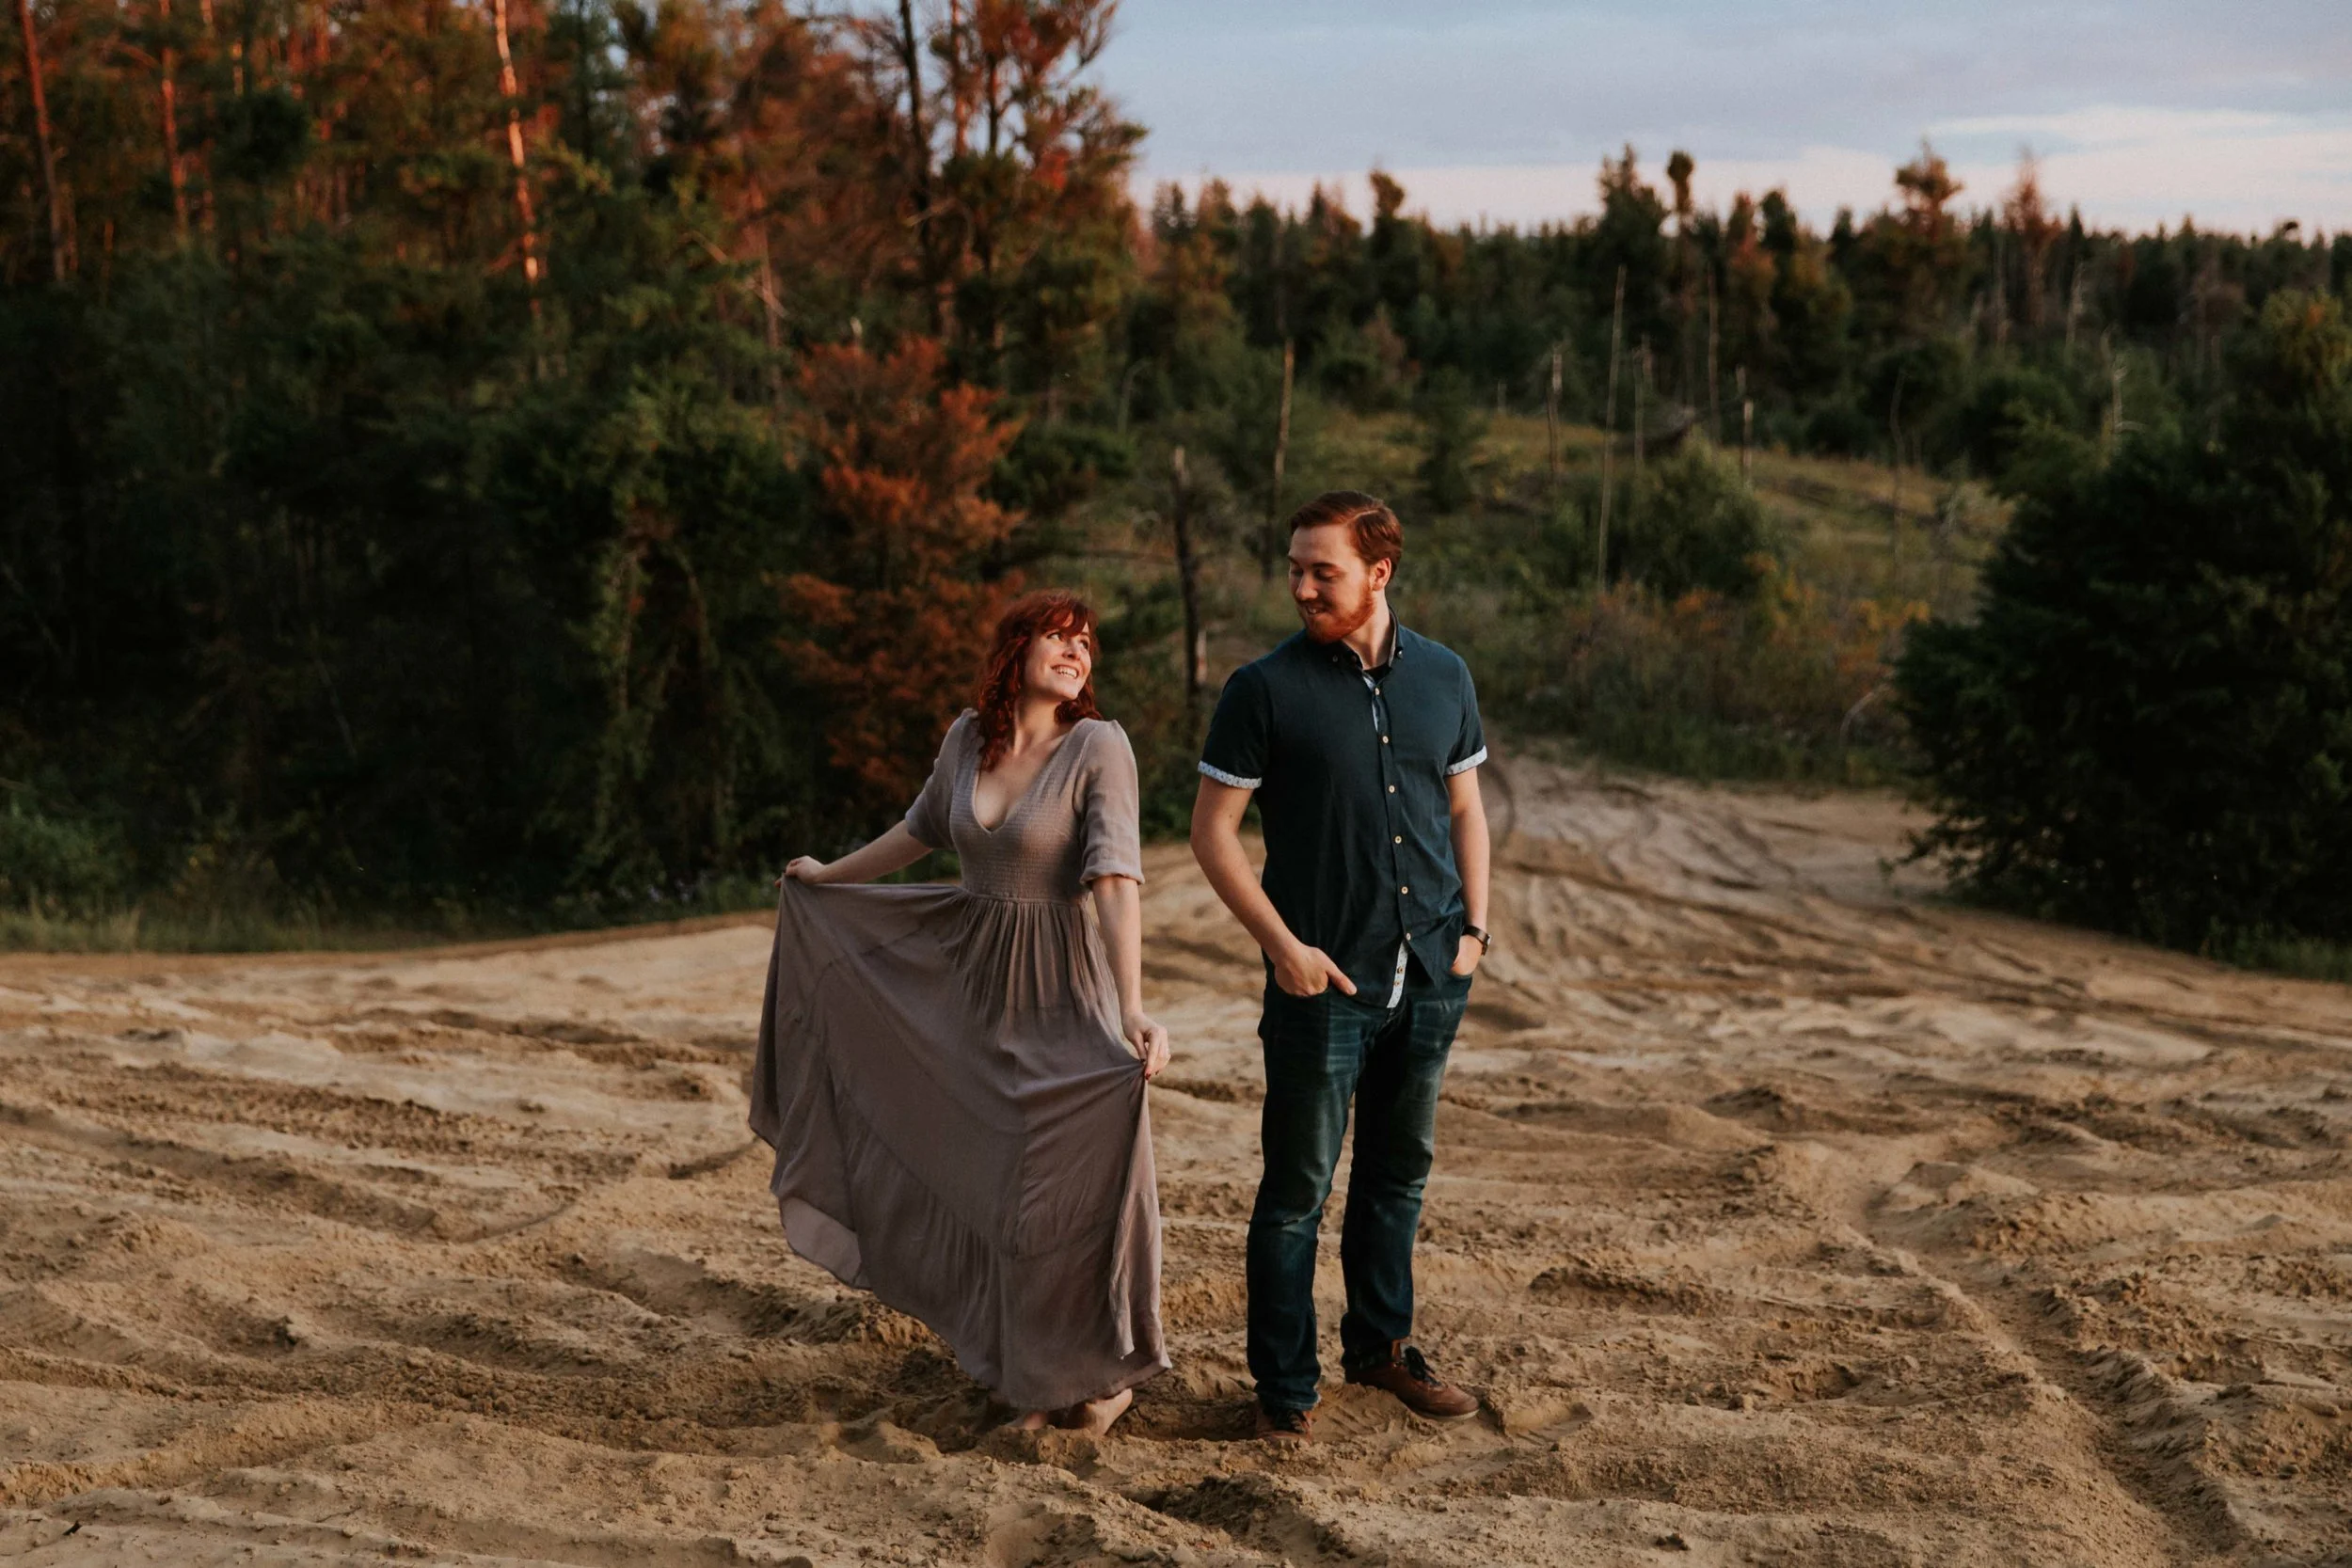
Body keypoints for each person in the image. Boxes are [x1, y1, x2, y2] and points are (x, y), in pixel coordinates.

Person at [748, 590, 1172, 1436]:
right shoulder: (964, 739)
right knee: (990, 1181)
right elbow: (917, 832)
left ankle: (1104, 1374)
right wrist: (828, 879)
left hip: (1059, 984)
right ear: (1013, 649)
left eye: (1086, 644)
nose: (1076, 652)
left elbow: (1115, 882)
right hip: (969, 982)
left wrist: (1132, 1005)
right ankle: (1026, 1370)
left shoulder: (1098, 746)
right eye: (1058, 636)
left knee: (1064, 1182)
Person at [1189, 492, 1492, 1446]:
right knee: (1295, 1194)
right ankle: (1283, 1391)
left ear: (1379, 571)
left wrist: (1473, 932)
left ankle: (1381, 1348)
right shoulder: (1262, 688)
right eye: (1294, 568)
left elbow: (1467, 808)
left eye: (1323, 569)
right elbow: (1212, 834)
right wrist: (1282, 946)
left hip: (1431, 972)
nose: (1303, 585)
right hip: (1320, 981)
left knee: (1397, 1176)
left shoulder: (1444, 674)